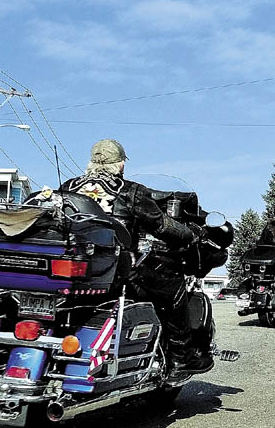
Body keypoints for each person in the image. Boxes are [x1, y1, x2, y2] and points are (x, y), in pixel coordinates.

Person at [61, 139, 217, 375]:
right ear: (121, 164)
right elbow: (162, 225)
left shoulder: (69, 186)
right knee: (173, 286)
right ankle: (181, 358)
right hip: (117, 272)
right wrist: (191, 234)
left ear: (91, 162)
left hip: (76, 270)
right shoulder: (130, 191)